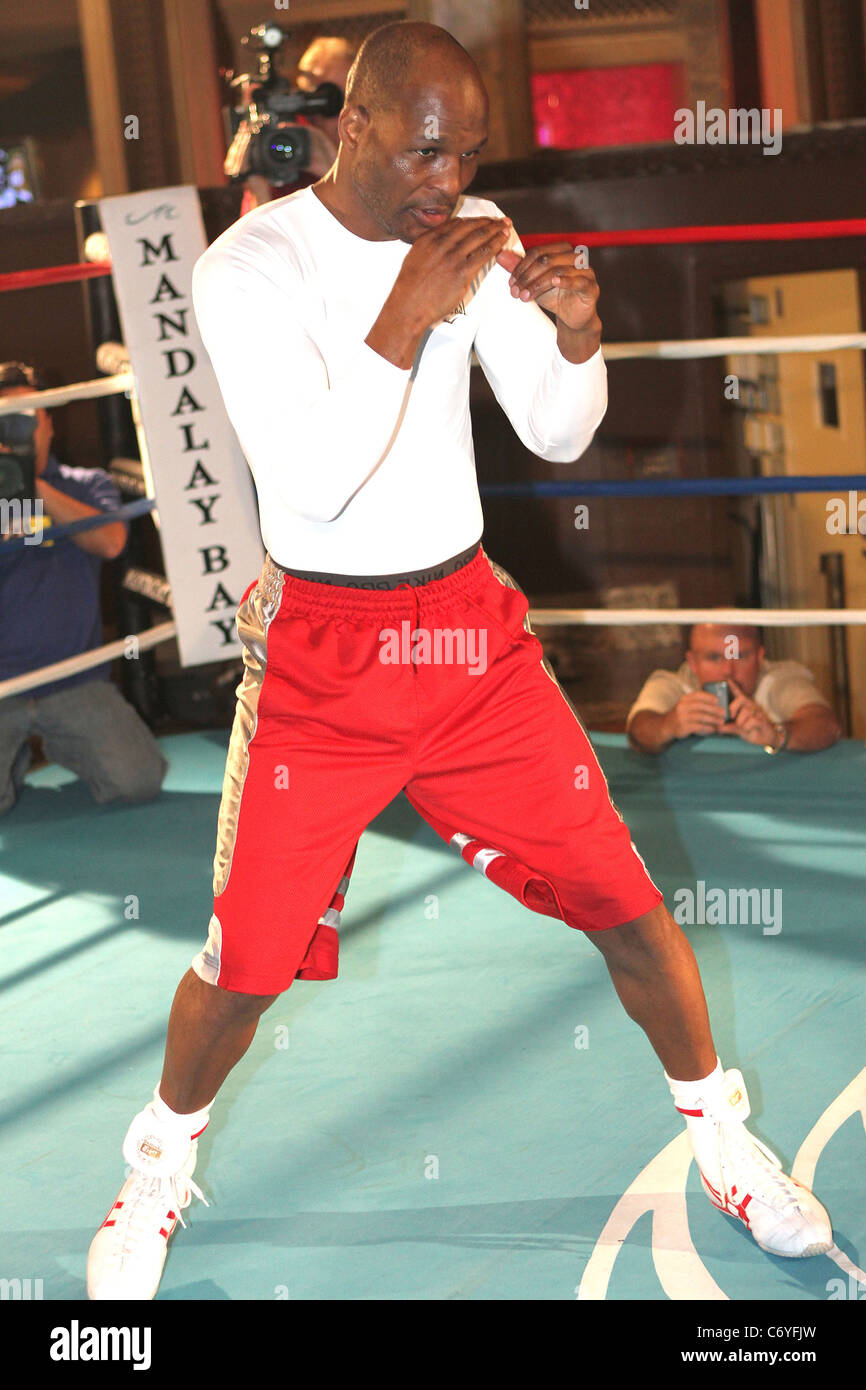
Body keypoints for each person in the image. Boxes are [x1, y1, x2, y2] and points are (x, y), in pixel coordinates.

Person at [86, 21, 832, 1301]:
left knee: (630, 908)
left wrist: (576, 338)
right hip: (321, 654)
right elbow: (311, 481)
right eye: (427, 150)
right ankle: (156, 1160)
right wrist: (405, 315)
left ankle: (720, 1136)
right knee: (245, 964)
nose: (447, 181)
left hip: (469, 642)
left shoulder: (473, 233)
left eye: (469, 154)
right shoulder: (251, 266)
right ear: (354, 125)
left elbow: (552, 432)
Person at [0, 361, 168, 815]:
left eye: (26, 419)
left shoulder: (85, 484)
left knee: (139, 781)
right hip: (2, 687)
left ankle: (63, 746)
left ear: (48, 423)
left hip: (74, 681)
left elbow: (112, 542)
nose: (15, 431)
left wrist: (29, 484)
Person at [627, 621, 841, 754]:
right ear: (692, 663)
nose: (728, 670)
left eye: (739, 655)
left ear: (759, 657)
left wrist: (777, 735)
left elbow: (825, 724)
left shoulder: (779, 679)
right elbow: (638, 731)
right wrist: (669, 724)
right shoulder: (673, 683)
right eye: (713, 657)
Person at [240, 36, 356, 215]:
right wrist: (258, 191)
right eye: (327, 101)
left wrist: (334, 173)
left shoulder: (382, 156)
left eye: (352, 99)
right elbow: (261, 239)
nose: (344, 114)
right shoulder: (283, 155)